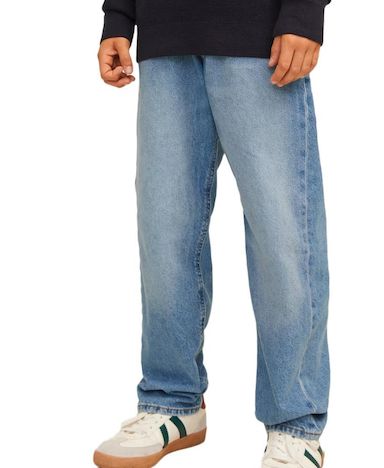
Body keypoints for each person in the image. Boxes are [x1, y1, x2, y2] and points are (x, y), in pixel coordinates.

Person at [94, 0, 331, 466]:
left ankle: (295, 424)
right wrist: (119, 15)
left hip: (261, 34)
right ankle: (172, 401)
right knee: (164, 233)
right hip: (164, 33)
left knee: (282, 236)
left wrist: (304, 11)